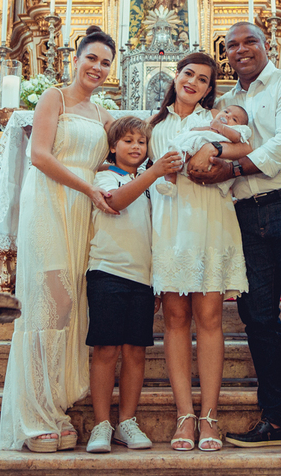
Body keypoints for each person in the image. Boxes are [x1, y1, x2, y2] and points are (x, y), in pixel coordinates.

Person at [189, 22, 281, 457]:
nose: (242, 49)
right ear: (226, 54)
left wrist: (231, 168)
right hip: (245, 214)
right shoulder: (227, 103)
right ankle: (276, 416)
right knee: (259, 316)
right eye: (232, 45)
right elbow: (209, 145)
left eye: (250, 41)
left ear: (266, 46)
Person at [0, 26, 118, 453]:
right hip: (50, 201)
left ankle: (57, 409)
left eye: (106, 62)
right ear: (76, 58)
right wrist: (87, 189)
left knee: (74, 305)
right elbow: (40, 155)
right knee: (51, 301)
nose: (98, 68)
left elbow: (131, 151)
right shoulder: (54, 98)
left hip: (85, 212)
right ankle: (34, 417)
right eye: (92, 59)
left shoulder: (105, 116)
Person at [149, 52, 250, 452]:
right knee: (175, 317)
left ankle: (209, 416)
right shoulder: (154, 126)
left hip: (209, 221)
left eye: (204, 79)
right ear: (176, 76)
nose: (193, 82)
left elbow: (247, 147)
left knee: (209, 317)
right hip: (170, 224)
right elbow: (142, 170)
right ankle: (184, 416)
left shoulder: (215, 121)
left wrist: (216, 149)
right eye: (188, 74)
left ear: (211, 89)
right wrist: (162, 167)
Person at [86, 117, 184, 453]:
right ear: (113, 146)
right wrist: (152, 173)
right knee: (106, 349)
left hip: (142, 279)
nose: (136, 147)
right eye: (128, 141)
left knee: (135, 352)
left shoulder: (149, 183)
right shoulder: (103, 176)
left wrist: (157, 278)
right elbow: (114, 203)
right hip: (107, 272)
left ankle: (126, 421)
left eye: (142, 142)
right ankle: (101, 424)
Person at [156, 105, 252, 196]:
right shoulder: (208, 121)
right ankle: (170, 184)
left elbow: (236, 138)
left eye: (234, 119)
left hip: (211, 158)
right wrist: (209, 128)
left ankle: (179, 164)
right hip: (194, 147)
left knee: (183, 154)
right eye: (226, 111)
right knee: (175, 156)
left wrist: (221, 127)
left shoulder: (236, 130)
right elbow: (193, 130)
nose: (227, 115)